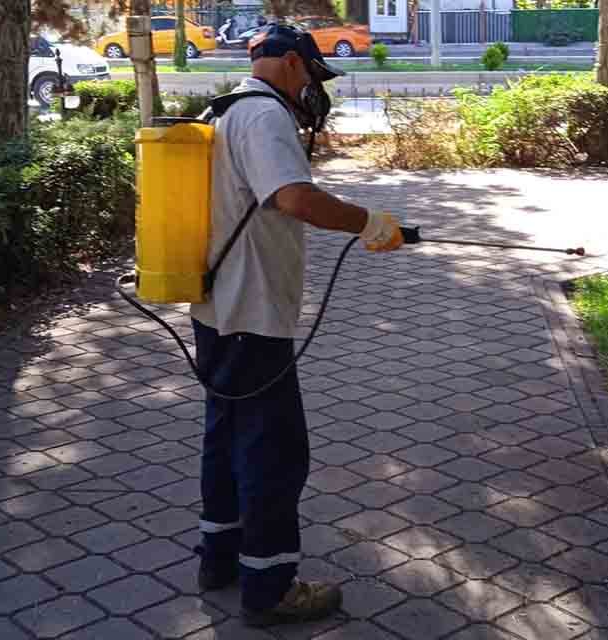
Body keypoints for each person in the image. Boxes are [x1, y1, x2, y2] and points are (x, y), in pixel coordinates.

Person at [190, 23, 403, 628]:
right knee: (273, 451)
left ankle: (220, 558)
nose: (313, 86)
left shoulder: (223, 106)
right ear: (288, 64)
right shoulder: (264, 115)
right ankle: (270, 587)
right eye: (311, 72)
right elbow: (295, 198)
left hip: (217, 309)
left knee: (227, 437)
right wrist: (369, 221)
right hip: (252, 311)